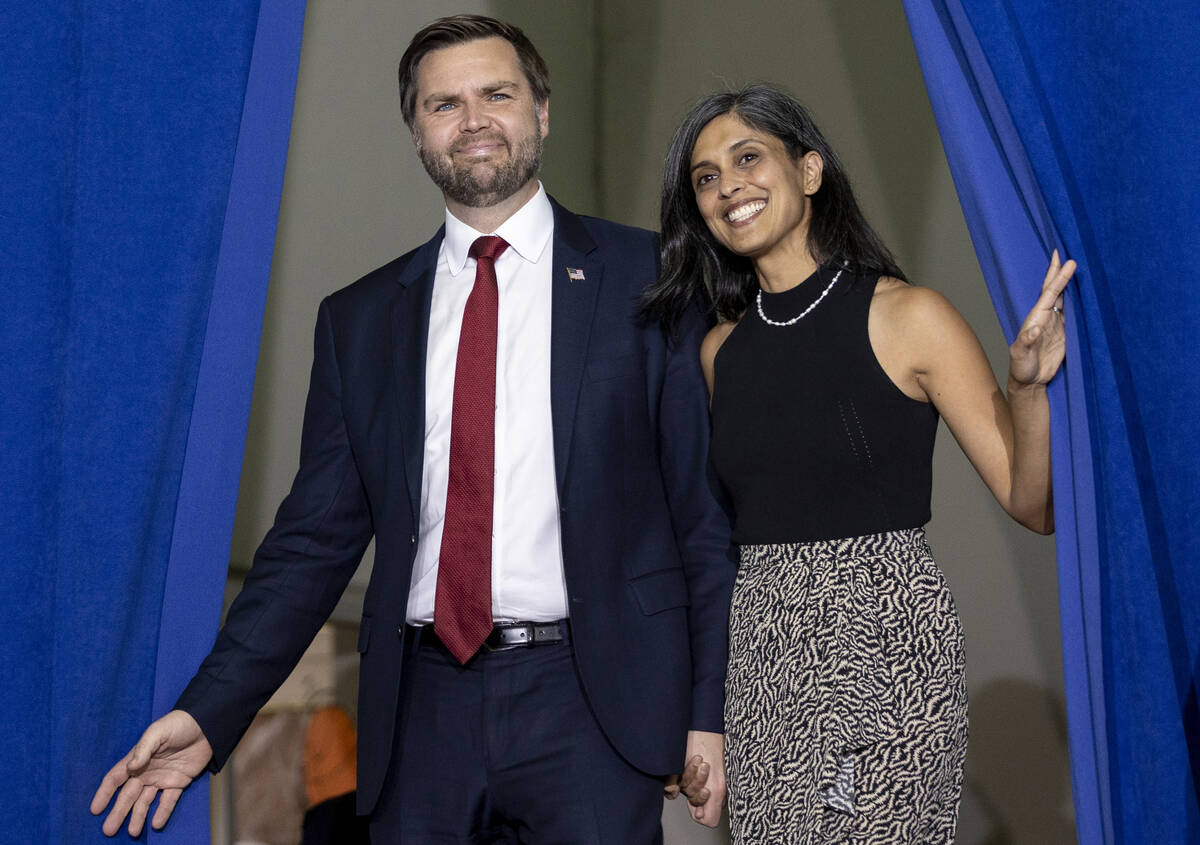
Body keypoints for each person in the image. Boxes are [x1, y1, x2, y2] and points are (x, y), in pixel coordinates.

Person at [91, 16, 734, 843]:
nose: (473, 120)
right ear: (417, 131)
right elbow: (311, 544)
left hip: (593, 706)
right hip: (420, 713)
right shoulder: (358, 322)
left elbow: (705, 519)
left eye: (496, 95)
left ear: (542, 110)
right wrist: (210, 713)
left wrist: (708, 709)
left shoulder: (652, 281)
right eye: (444, 104)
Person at [643, 83, 1075, 843]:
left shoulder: (909, 316)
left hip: (882, 637)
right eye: (706, 177)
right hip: (764, 648)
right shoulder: (719, 352)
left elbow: (1030, 500)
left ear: (810, 171)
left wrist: (1026, 387)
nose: (727, 186)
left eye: (749, 158)